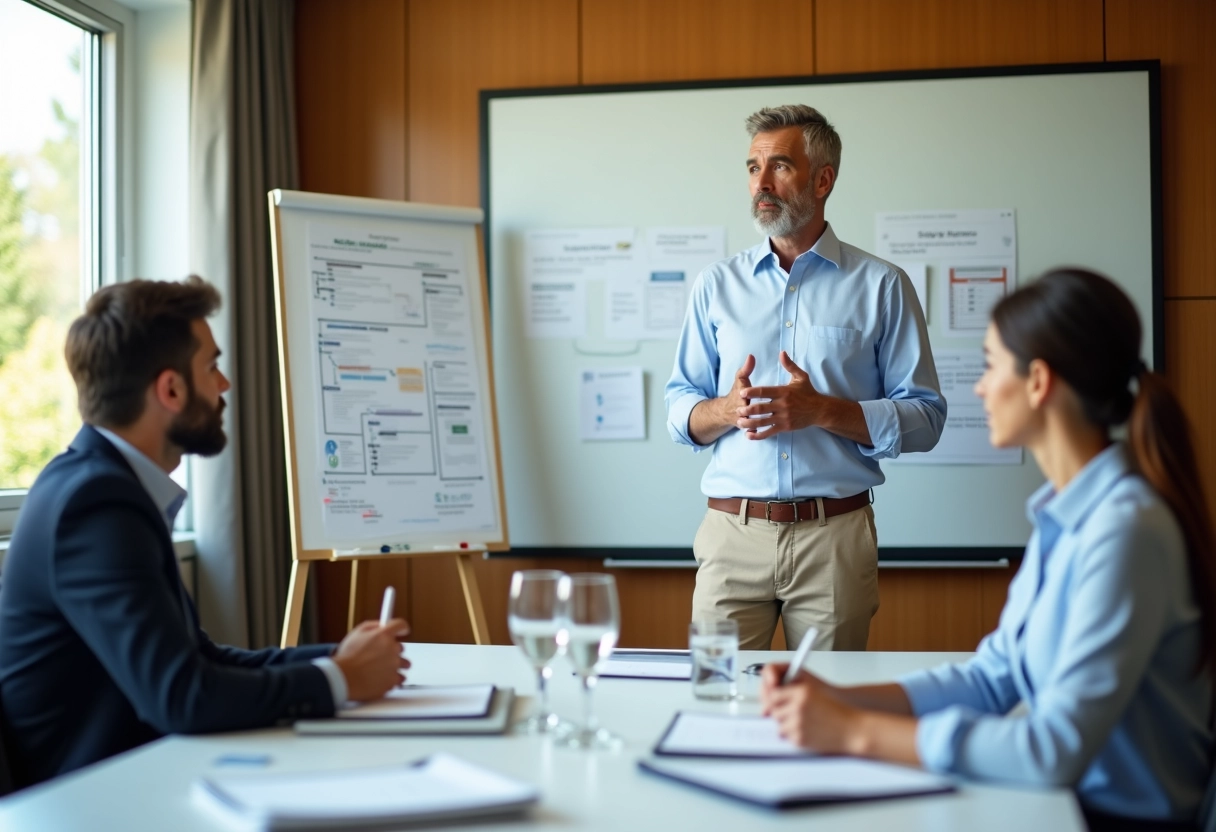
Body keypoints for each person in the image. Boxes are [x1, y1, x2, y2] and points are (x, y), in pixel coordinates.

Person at [761, 269, 1215, 830]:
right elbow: (993, 678)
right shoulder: (1066, 514)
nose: (978, 387)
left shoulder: (1127, 531)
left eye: (991, 364)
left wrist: (853, 733)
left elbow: (1053, 750)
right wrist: (844, 699)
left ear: (1038, 382)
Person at [0, 277, 410, 788]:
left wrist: (338, 656)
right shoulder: (96, 505)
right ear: (170, 389)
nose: (224, 386)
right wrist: (342, 679)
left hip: (139, 777)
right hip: (94, 801)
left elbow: (202, 659)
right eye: (212, 367)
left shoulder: (102, 483)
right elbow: (182, 697)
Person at [665, 104, 946, 651]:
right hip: (731, 536)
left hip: (834, 539)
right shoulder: (716, 285)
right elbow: (681, 406)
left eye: (780, 167)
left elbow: (927, 419)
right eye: (752, 167)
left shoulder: (883, 285)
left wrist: (823, 410)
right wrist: (726, 410)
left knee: (823, 716)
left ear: (824, 179)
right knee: (716, 707)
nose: (761, 184)